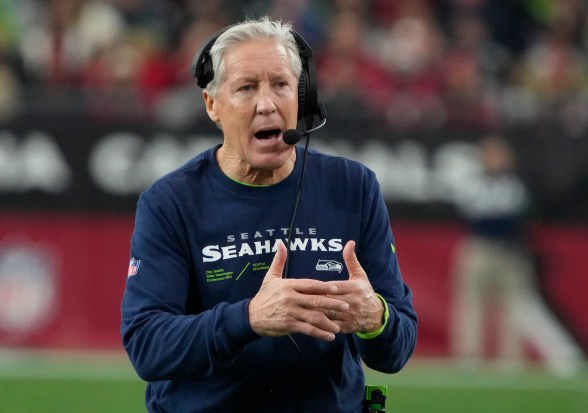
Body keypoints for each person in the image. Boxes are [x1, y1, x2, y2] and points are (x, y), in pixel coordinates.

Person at [121, 17, 417, 412]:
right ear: (212, 105)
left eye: (281, 84)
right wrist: (249, 318)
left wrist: (375, 316)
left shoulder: (354, 187)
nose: (267, 104)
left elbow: (395, 351)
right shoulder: (170, 202)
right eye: (246, 87)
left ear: (303, 97)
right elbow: (147, 346)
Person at [450, 134, 584, 375]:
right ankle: (467, 358)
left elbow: (526, 217)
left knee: (514, 308)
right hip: (481, 248)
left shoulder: (517, 184)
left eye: (499, 155)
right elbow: (476, 212)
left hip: (509, 252)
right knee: (471, 306)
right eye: (490, 155)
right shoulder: (473, 183)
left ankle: (509, 360)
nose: (495, 160)